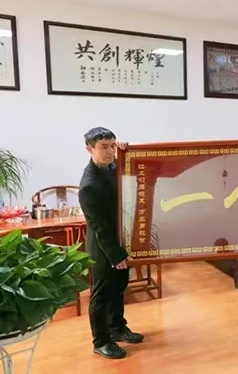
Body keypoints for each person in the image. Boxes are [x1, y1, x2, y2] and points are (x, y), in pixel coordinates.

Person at [78, 127, 144, 359]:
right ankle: (101, 341)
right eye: (104, 147)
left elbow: (130, 170)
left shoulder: (113, 166)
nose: (109, 151)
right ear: (90, 149)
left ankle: (117, 328)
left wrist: (126, 152)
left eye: (112, 146)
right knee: (102, 294)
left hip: (120, 239)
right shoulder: (89, 185)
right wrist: (115, 255)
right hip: (104, 247)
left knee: (118, 288)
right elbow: (100, 228)